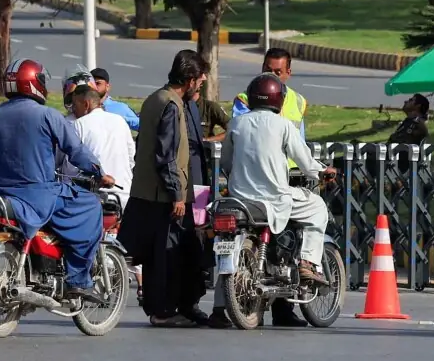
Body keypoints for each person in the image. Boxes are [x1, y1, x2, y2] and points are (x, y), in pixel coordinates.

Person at [0, 61, 111, 303]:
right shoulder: (47, 115)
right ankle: (78, 280)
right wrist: (98, 172)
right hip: (38, 195)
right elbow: (76, 150)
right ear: (34, 83)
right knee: (90, 205)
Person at [119, 50, 209, 327]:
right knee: (165, 255)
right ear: (190, 79)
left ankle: (176, 306)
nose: (202, 83)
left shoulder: (158, 99)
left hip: (162, 191)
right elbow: (166, 155)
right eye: (200, 79)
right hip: (166, 194)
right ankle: (163, 311)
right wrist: (177, 195)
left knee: (170, 253)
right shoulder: (171, 105)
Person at [224, 76, 332, 287]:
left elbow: (226, 162)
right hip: (274, 199)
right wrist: (322, 171)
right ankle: (307, 262)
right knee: (317, 207)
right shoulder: (283, 125)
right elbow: (306, 163)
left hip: (240, 199)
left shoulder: (236, 123)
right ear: (279, 99)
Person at [66, 75, 133, 201]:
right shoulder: (120, 121)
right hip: (124, 195)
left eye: (74, 105)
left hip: (93, 198)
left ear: (86, 104)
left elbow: (70, 167)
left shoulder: (79, 125)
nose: (73, 110)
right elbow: (131, 159)